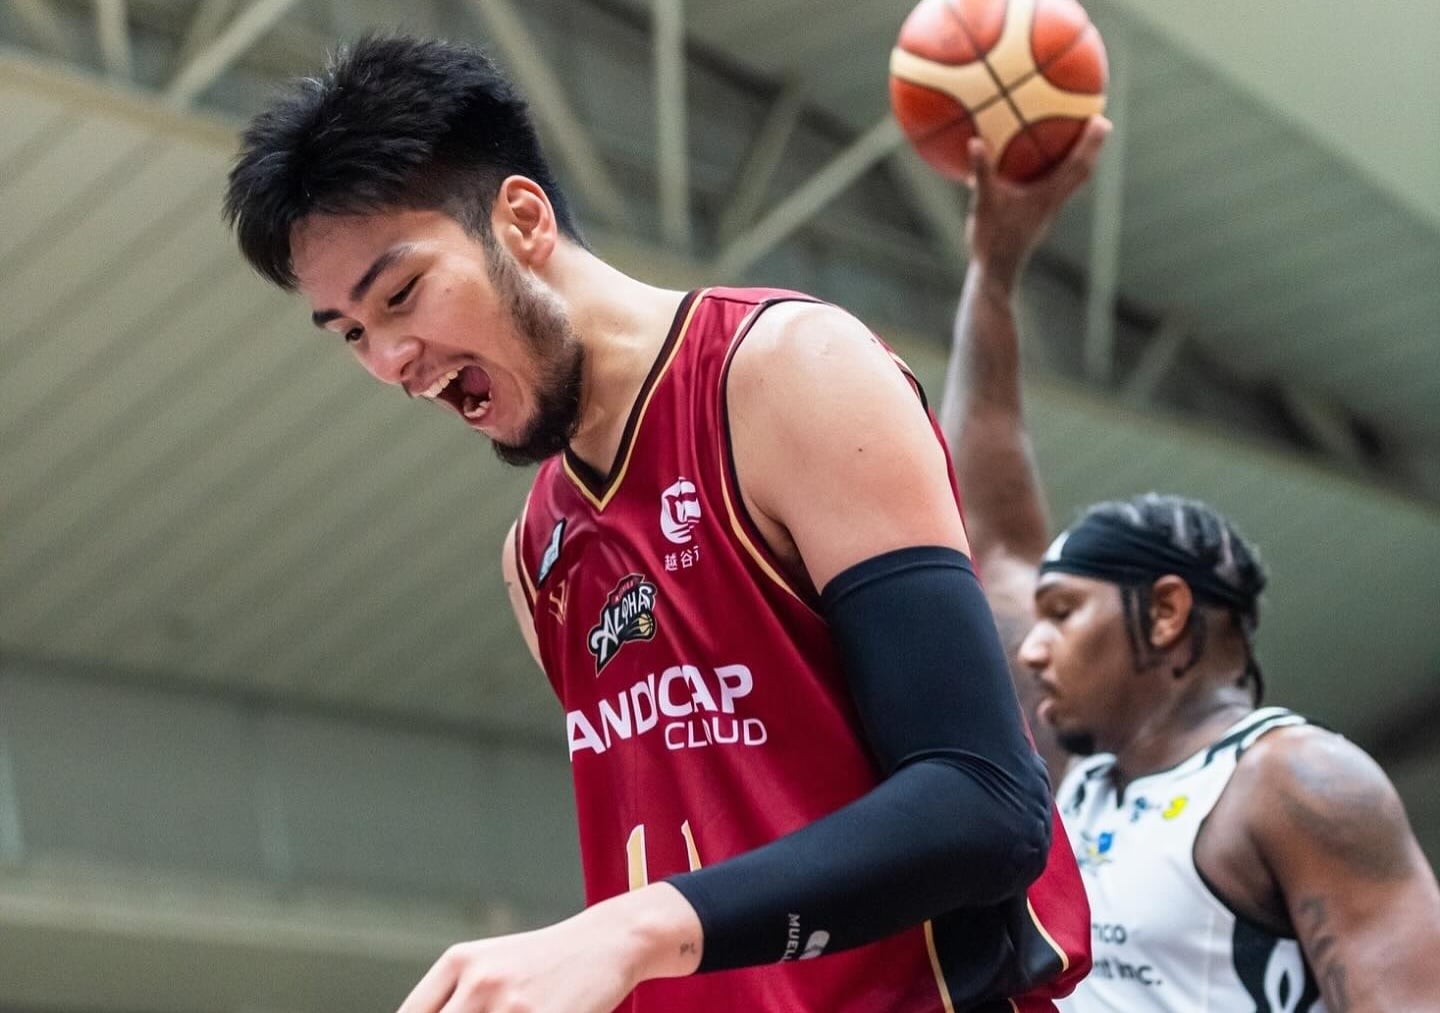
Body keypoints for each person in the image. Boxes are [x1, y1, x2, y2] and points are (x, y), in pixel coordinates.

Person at [223, 34, 1093, 1013]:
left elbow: (987, 807)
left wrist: (637, 929)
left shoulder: (788, 373)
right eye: (350, 334)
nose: (387, 358)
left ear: (520, 219)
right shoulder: (535, 555)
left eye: (399, 294)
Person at [941, 124, 1440, 1012]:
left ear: (1167, 613)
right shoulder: (1079, 766)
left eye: (1063, 612)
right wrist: (995, 272)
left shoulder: (1301, 785)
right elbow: (994, 537)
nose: (1032, 645)